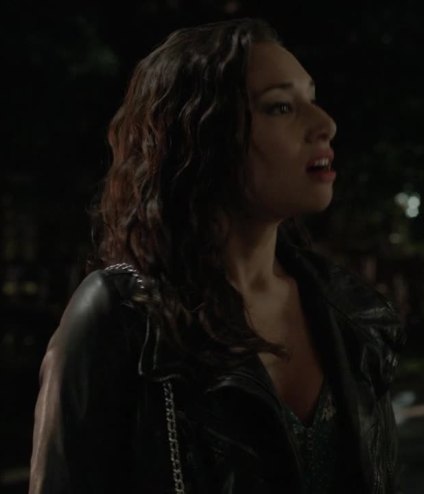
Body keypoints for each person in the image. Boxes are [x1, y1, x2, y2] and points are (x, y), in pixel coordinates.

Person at [29, 18, 404, 494]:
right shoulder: (122, 316)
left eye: (312, 98)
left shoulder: (351, 315)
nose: (325, 124)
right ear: (201, 135)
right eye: (281, 106)